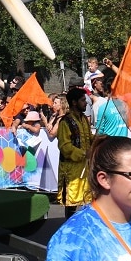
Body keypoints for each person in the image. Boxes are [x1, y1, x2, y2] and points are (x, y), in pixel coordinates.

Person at [56, 88, 93, 217]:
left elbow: (88, 138)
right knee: (71, 202)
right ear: (74, 102)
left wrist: (99, 139)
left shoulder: (83, 119)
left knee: (86, 200)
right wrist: (84, 154)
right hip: (71, 170)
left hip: (84, 167)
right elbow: (64, 147)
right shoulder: (65, 122)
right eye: (83, 100)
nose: (86, 103)